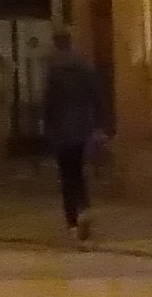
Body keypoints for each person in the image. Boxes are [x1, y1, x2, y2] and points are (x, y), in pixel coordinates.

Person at [39, 29, 106, 243]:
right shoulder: (84, 67)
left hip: (62, 131)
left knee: (67, 176)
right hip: (82, 128)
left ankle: (73, 222)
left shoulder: (54, 71)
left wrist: (47, 126)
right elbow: (97, 97)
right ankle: (85, 207)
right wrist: (99, 124)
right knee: (79, 171)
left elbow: (49, 103)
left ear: (55, 44)